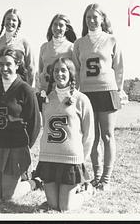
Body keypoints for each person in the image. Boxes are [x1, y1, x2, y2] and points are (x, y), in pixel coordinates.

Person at [72, 3, 124, 191]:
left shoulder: (111, 39)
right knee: (91, 137)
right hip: (87, 93)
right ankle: (96, 175)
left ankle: (107, 178)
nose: (92, 20)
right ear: (85, 21)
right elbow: (76, 71)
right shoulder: (79, 43)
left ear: (102, 18)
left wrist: (120, 90)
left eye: (95, 17)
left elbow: (118, 69)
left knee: (108, 136)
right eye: (88, 17)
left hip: (107, 91)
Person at [35, 57, 95, 211]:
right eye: (56, 70)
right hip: (49, 157)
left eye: (63, 70)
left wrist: (82, 159)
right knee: (53, 205)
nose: (59, 74)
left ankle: (87, 192)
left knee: (65, 207)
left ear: (71, 73)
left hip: (70, 160)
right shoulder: (45, 98)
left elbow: (89, 134)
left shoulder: (81, 99)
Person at [0, 47, 42, 200]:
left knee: (8, 196)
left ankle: (33, 182)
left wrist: (25, 147)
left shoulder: (25, 89)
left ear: (17, 65)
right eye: (1, 64)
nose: (4, 68)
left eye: (8, 64)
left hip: (15, 146)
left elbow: (35, 122)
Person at [0, 8, 35, 86]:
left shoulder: (24, 42)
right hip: (0, 84)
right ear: (4, 21)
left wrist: (29, 88)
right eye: (8, 19)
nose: (10, 22)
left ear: (19, 23)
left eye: (14, 20)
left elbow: (30, 67)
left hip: (18, 85)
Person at [37, 14, 77, 94]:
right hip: (45, 90)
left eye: (61, 25)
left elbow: (75, 73)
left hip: (64, 91)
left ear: (67, 28)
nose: (57, 28)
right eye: (55, 24)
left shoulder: (71, 47)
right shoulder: (44, 47)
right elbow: (41, 70)